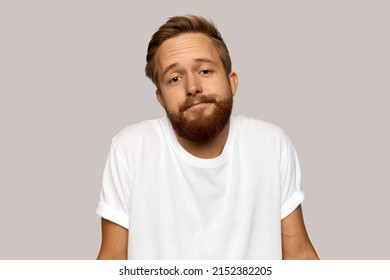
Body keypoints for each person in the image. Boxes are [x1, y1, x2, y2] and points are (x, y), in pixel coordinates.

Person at [96, 15, 319, 260]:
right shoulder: (130, 148)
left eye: (204, 70)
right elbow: (112, 260)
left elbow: (300, 255)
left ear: (232, 83)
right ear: (161, 99)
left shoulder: (270, 144)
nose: (192, 87)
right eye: (175, 78)